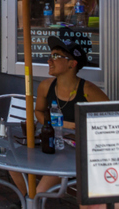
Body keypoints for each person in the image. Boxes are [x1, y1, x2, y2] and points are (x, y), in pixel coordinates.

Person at [10, 36, 109, 196]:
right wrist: (59, 125)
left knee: (41, 188)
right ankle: (29, 200)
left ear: (72, 63)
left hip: (77, 150)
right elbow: (39, 112)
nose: (49, 60)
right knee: (13, 162)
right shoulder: (45, 86)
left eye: (56, 56)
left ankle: (33, 200)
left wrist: (73, 127)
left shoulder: (88, 90)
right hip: (51, 141)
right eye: (50, 56)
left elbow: (110, 120)